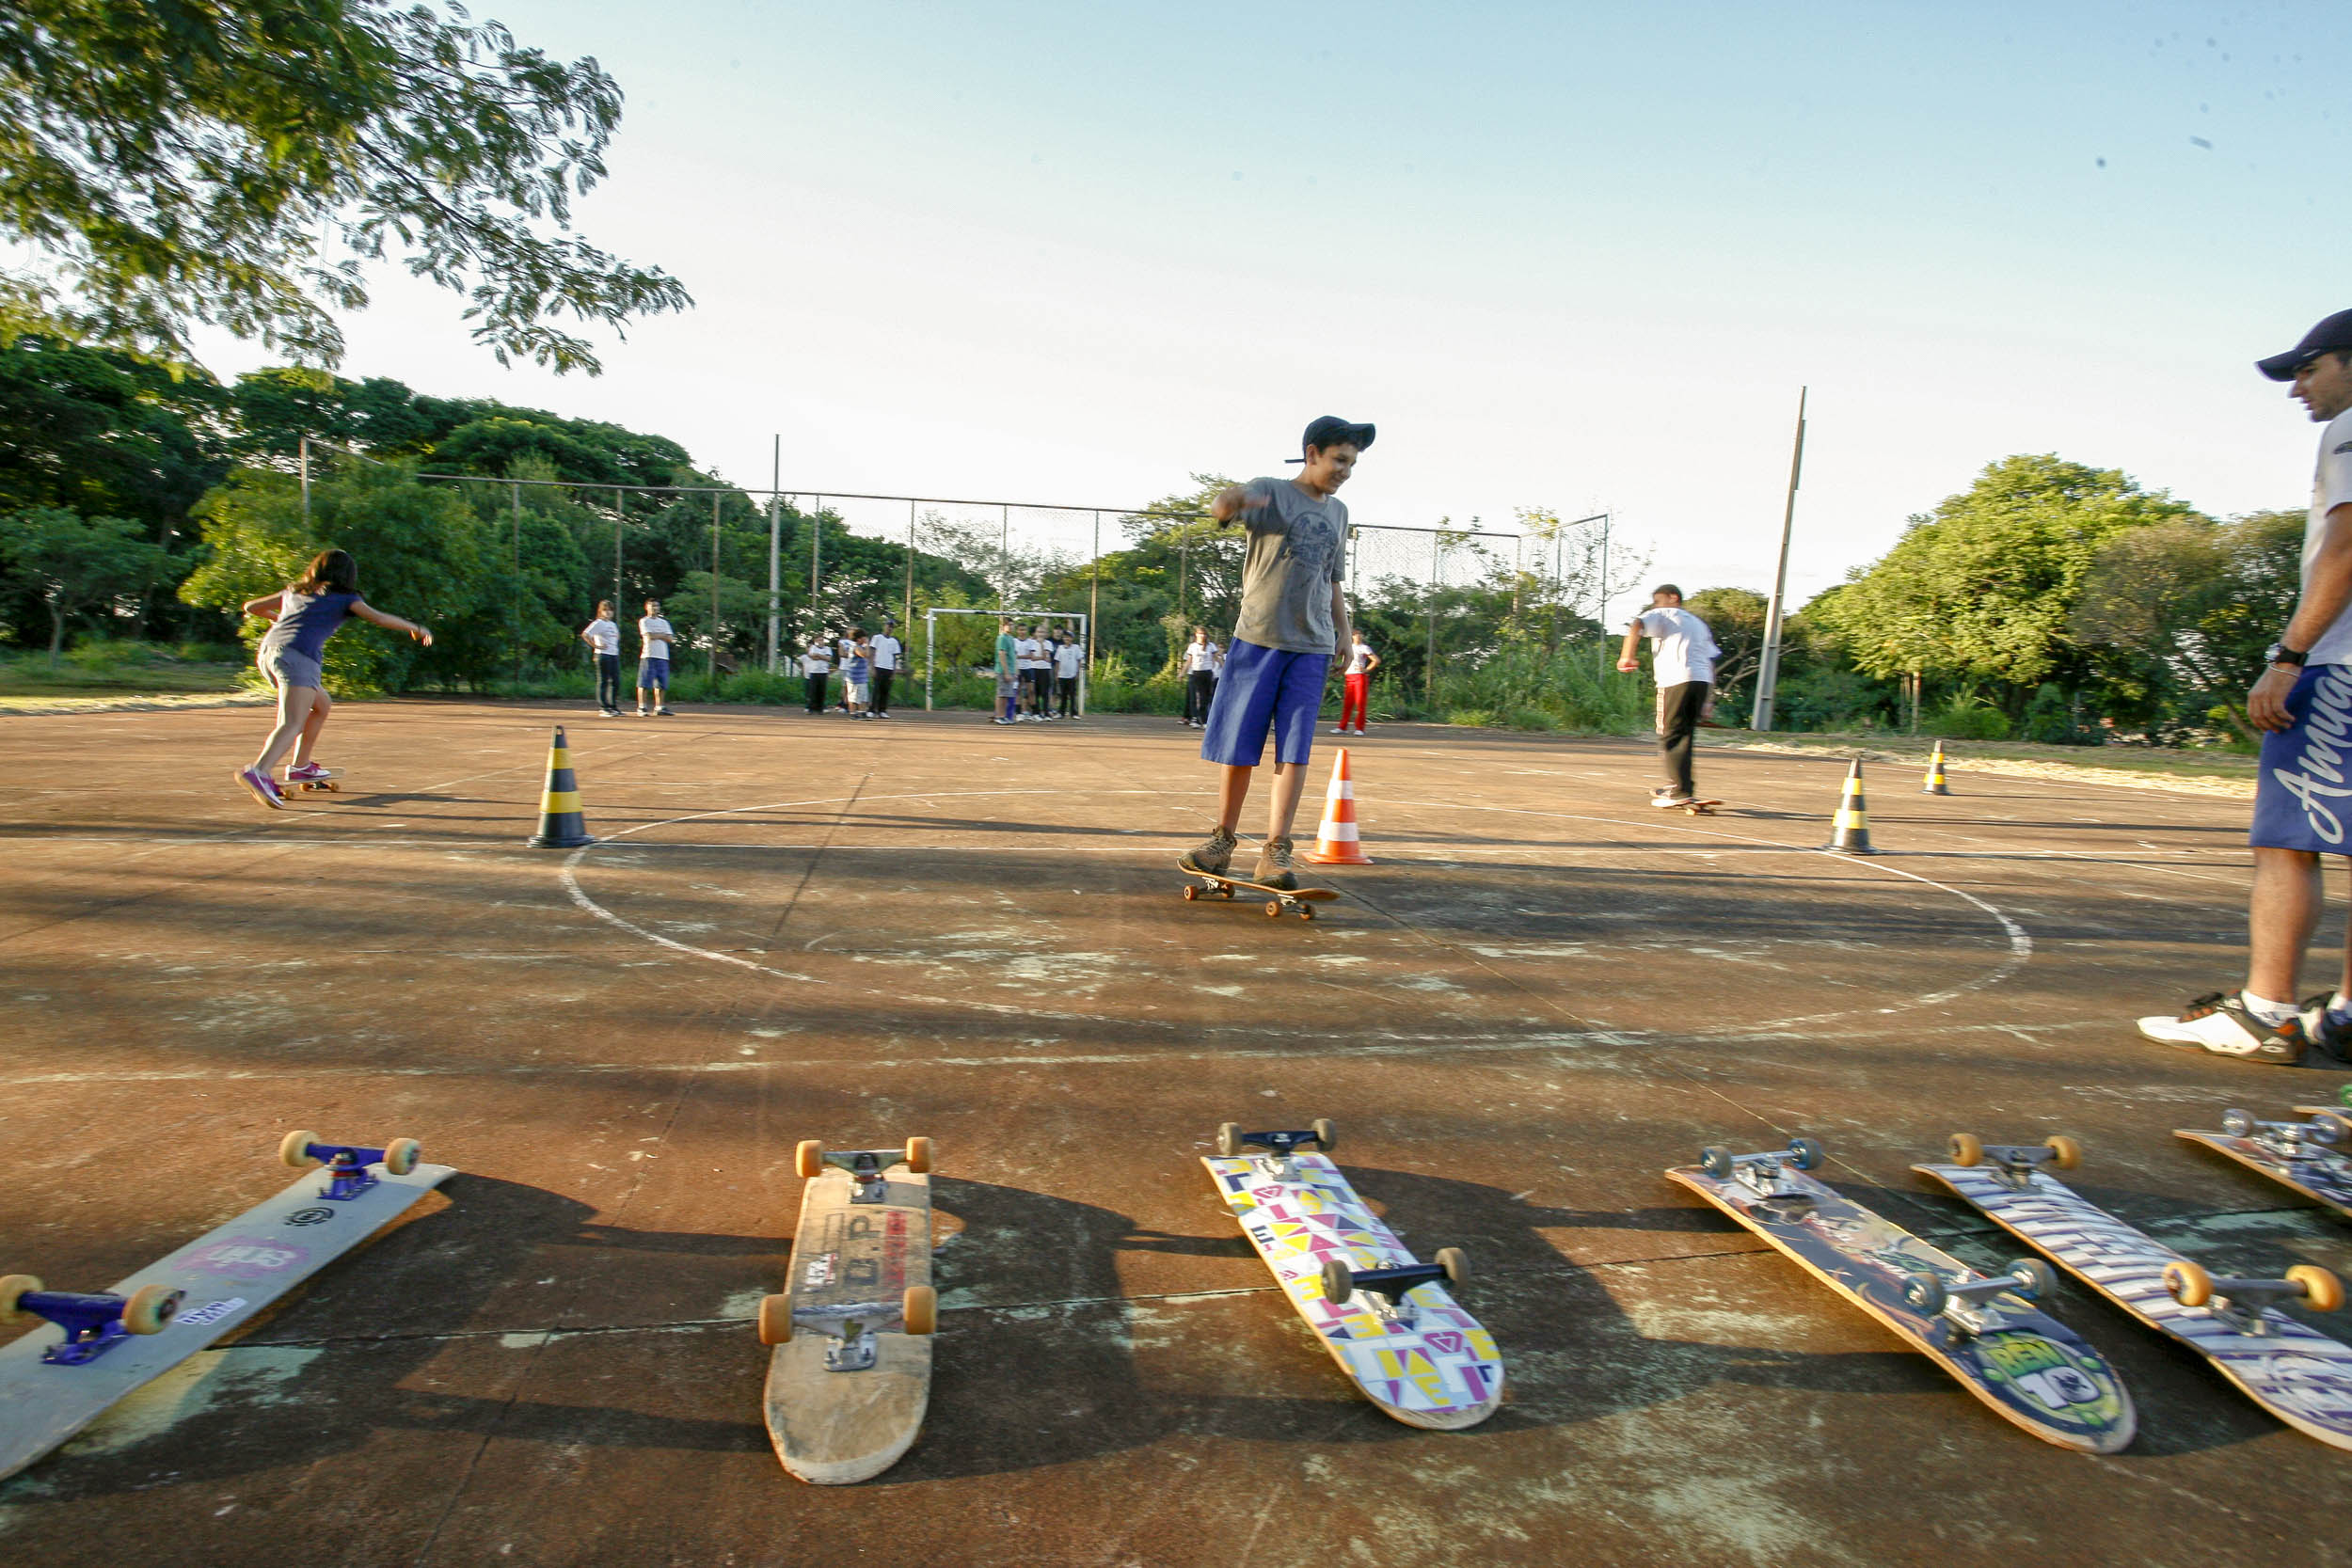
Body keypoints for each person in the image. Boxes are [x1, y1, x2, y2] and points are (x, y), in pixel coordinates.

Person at [2137, 309, 2352, 1066]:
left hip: (2341, 665)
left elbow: (2347, 548)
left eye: (2309, 367)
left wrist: (2290, 655)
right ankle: (2349, 1017)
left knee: (2288, 841)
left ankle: (2266, 1011)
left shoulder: (2349, 430)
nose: (2298, 386)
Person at [1181, 414, 1367, 892]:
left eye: (1352, 462)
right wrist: (1226, 503)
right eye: (1339, 460)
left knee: (1295, 749)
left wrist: (1344, 635)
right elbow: (1223, 511)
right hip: (1259, 638)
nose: (1346, 470)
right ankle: (1222, 841)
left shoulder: (1339, 512)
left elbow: (1332, 579)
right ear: (1312, 454)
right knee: (1240, 744)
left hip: (1312, 645)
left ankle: (1276, 849)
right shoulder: (1272, 492)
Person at [233, 547, 432, 809]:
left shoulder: (295, 590)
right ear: (348, 575)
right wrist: (415, 628)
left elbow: (251, 607)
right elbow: (379, 618)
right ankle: (259, 771)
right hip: (298, 657)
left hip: (270, 653)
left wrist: (280, 621)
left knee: (321, 704)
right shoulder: (344, 598)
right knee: (292, 722)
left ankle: (301, 766)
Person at [1617, 585, 1717, 808]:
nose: (1655, 605)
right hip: (1702, 681)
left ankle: (1679, 790)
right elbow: (1711, 661)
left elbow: (1637, 625)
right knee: (1684, 736)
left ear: (1673, 598)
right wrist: (1709, 700)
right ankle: (1683, 787)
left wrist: (1627, 656)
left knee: (1669, 734)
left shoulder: (1664, 613)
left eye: (1657, 600)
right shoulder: (1699, 624)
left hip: (1675, 680)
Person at [580, 600, 622, 717]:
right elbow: (585, 634)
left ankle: (613, 706)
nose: (608, 612)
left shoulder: (613, 625)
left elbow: (616, 637)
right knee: (604, 681)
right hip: (603, 655)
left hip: (614, 655)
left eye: (610, 610)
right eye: (605, 610)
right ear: (600, 611)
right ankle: (604, 707)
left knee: (616, 682)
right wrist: (596, 646)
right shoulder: (598, 623)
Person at [636, 598, 675, 717]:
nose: (654, 608)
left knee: (662, 684)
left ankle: (660, 707)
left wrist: (658, 635)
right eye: (652, 606)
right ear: (646, 607)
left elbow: (670, 638)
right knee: (644, 682)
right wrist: (662, 635)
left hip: (663, 656)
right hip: (649, 655)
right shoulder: (644, 621)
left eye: (657, 606)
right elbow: (649, 636)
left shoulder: (664, 623)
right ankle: (642, 707)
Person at [1336, 631, 1379, 735]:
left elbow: (1376, 660)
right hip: (1349, 676)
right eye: (1356, 634)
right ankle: (1342, 727)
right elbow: (1339, 656)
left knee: (1360, 703)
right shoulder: (1348, 647)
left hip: (1359, 676)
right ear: (1352, 636)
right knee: (1347, 703)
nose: (1358, 636)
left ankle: (1359, 728)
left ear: (1362, 636)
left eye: (1360, 634)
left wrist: (1366, 670)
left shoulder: (1364, 648)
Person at [1182, 626, 1221, 729]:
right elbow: (1189, 661)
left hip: (1207, 673)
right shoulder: (1192, 646)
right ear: (1196, 635)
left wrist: (1225, 667)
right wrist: (1182, 673)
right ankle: (1195, 719)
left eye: (1203, 634)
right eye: (1199, 634)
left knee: (1205, 697)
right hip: (1196, 673)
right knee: (1195, 697)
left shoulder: (1211, 646)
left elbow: (1217, 658)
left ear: (1206, 635)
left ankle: (1204, 720)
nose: (1202, 636)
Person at [870, 617, 902, 718]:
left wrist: (894, 672)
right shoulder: (877, 638)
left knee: (885, 690)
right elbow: (872, 653)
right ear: (884, 626)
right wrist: (872, 667)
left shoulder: (894, 641)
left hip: (888, 668)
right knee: (876, 690)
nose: (890, 629)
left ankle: (882, 710)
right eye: (888, 626)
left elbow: (895, 657)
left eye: (892, 627)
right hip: (878, 666)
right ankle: (872, 710)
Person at [992, 615, 1020, 724]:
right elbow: (1002, 654)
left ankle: (1004, 716)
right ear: (1003, 626)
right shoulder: (1002, 638)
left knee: (1007, 695)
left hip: (1011, 670)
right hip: (1003, 671)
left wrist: (1015, 671)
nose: (1011, 627)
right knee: (1001, 694)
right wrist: (1007, 672)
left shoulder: (1011, 639)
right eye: (1009, 625)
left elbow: (1013, 655)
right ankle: (999, 716)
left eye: (1013, 625)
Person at [801, 631, 833, 714]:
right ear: (816, 641)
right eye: (819, 640)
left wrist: (818, 655)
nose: (820, 641)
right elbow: (812, 657)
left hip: (823, 672)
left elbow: (829, 658)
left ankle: (821, 708)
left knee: (821, 691)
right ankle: (810, 708)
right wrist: (823, 657)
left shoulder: (827, 649)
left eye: (822, 640)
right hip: (814, 671)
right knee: (812, 691)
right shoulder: (813, 648)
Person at [1056, 630, 1084, 719]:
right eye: (1065, 637)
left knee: (1072, 694)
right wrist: (1056, 673)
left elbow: (1079, 660)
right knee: (1063, 695)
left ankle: (1074, 713)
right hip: (1062, 675)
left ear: (1072, 638)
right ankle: (1061, 713)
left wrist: (1078, 673)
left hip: (1072, 675)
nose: (1066, 638)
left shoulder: (1076, 647)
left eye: (1068, 637)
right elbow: (1057, 661)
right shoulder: (1060, 648)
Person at [845, 629, 872, 719]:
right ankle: (853, 714)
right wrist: (867, 645)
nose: (865, 639)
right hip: (854, 677)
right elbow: (864, 654)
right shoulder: (855, 647)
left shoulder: (861, 646)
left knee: (863, 696)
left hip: (862, 677)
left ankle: (862, 712)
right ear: (859, 638)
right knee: (853, 696)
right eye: (864, 637)